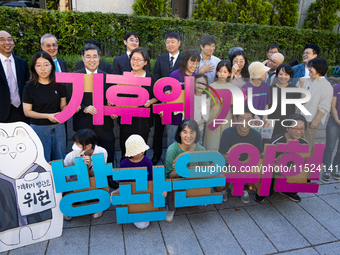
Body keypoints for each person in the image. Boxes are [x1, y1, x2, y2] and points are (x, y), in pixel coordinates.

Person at [70, 43, 116, 168]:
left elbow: (112, 100)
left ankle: (108, 178)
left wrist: (113, 108)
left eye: (95, 56)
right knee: (83, 155)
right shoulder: (76, 76)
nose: (92, 60)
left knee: (107, 151)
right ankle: (85, 181)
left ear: (99, 57)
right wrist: (84, 108)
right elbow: (70, 99)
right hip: (83, 124)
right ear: (82, 58)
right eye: (88, 56)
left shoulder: (107, 77)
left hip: (104, 125)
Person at [254, 114, 309, 203]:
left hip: (290, 171)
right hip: (273, 171)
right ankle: (263, 191)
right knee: (267, 189)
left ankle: (289, 191)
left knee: (307, 173)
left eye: (302, 128)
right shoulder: (275, 141)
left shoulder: (304, 143)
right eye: (294, 128)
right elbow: (261, 159)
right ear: (287, 128)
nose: (298, 132)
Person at [23, 51, 66, 162]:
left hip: (58, 127)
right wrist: (47, 116)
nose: (43, 69)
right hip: (39, 128)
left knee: (60, 158)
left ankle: (60, 180)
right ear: (33, 68)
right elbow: (27, 111)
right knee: (42, 160)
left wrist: (72, 109)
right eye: (38, 65)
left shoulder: (59, 84)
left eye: (46, 64)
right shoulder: (29, 87)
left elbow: (63, 106)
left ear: (52, 66)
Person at [118, 47, 157, 161]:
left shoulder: (150, 77)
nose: (134, 61)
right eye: (133, 58)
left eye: (138, 59)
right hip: (126, 119)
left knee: (140, 150)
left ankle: (141, 173)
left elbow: (157, 96)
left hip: (143, 120)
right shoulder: (124, 76)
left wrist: (150, 101)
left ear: (145, 62)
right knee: (125, 149)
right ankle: (125, 174)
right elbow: (118, 96)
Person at [217, 108, 263, 203]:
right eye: (242, 119)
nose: (245, 122)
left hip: (248, 168)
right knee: (219, 187)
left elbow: (258, 158)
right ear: (237, 120)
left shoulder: (257, 136)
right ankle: (225, 188)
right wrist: (226, 157)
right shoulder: (227, 132)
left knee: (256, 187)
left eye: (249, 119)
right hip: (229, 165)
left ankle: (244, 188)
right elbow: (222, 153)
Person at [151, 32, 183, 165]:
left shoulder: (184, 59)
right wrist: (162, 95)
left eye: (173, 41)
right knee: (158, 130)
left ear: (179, 43)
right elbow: (156, 77)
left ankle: (176, 158)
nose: (170, 44)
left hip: (177, 102)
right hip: (161, 100)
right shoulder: (161, 58)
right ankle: (156, 155)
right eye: (167, 42)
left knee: (176, 130)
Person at [165, 119, 205, 222]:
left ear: (196, 134)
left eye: (192, 132)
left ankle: (195, 198)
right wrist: (180, 170)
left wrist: (204, 191)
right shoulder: (172, 149)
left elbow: (206, 173)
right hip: (178, 179)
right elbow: (169, 175)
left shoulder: (201, 150)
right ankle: (171, 208)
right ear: (179, 133)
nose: (188, 136)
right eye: (185, 132)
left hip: (194, 179)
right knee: (171, 185)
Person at [63, 129, 108, 220]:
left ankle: (96, 204)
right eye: (75, 142)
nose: (75, 146)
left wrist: (87, 167)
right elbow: (65, 178)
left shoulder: (101, 152)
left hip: (93, 181)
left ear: (88, 146)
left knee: (97, 188)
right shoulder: (70, 156)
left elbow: (100, 177)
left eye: (78, 143)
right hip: (75, 183)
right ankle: (72, 204)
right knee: (69, 195)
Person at [120, 134, 158, 229]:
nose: (139, 153)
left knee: (144, 221)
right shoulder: (124, 163)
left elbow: (152, 178)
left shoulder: (147, 161)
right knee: (140, 223)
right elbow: (123, 182)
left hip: (146, 191)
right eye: (135, 151)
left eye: (141, 150)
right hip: (131, 193)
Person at [166, 49, 200, 147]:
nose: (195, 66)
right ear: (185, 61)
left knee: (187, 145)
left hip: (190, 118)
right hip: (174, 117)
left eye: (197, 63)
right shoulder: (175, 75)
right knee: (172, 143)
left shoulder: (197, 77)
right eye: (192, 62)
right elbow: (167, 93)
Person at [298, 57, 333, 149]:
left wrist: (316, 121)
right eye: (309, 66)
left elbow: (324, 106)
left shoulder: (326, 85)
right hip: (297, 118)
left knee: (307, 145)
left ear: (319, 69)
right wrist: (302, 86)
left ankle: (304, 163)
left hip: (310, 120)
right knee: (293, 144)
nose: (309, 69)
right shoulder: (303, 80)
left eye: (312, 67)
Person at [0, 30, 30, 123]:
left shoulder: (22, 63)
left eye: (10, 39)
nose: (7, 42)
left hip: (22, 113)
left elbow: (27, 86)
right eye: (2, 40)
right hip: (2, 114)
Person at [204, 60, 233, 151]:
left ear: (229, 74)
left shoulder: (231, 87)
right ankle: (210, 161)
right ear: (216, 72)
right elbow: (207, 104)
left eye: (225, 72)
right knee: (212, 140)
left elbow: (233, 104)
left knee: (225, 137)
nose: (222, 74)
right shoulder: (211, 86)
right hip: (213, 114)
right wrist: (215, 101)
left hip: (226, 115)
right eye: (220, 71)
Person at [269, 64, 301, 137]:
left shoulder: (294, 89)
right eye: (280, 74)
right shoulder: (270, 89)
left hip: (288, 123)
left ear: (290, 76)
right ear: (277, 75)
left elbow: (303, 101)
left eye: (286, 74)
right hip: (273, 122)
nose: (283, 77)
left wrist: (302, 85)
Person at [322, 83, 340, 181]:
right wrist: (337, 120)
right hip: (334, 120)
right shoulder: (336, 87)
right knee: (330, 146)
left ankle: (336, 169)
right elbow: (332, 106)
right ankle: (327, 169)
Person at [194, 74, 210, 145]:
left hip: (199, 128)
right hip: (187, 127)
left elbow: (204, 116)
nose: (200, 85)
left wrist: (196, 125)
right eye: (198, 82)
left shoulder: (205, 99)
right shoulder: (189, 96)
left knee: (197, 146)